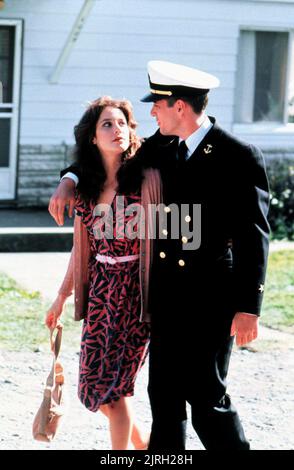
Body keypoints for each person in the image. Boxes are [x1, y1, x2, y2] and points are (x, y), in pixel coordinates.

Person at [48, 61, 270, 450]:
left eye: (158, 105)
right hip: (166, 298)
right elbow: (105, 156)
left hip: (211, 298)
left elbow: (255, 236)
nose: (151, 112)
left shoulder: (238, 155)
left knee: (206, 400)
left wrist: (249, 306)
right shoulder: (163, 148)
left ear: (179, 107)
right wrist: (70, 179)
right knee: (164, 398)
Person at [45, 96, 162, 450]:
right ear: (93, 137)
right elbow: (81, 251)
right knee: (92, 389)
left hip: (136, 296)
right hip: (100, 295)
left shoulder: (147, 179)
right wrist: (62, 296)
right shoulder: (85, 189)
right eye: (107, 124)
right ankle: (148, 447)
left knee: (117, 389)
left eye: (122, 123)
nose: (117, 130)